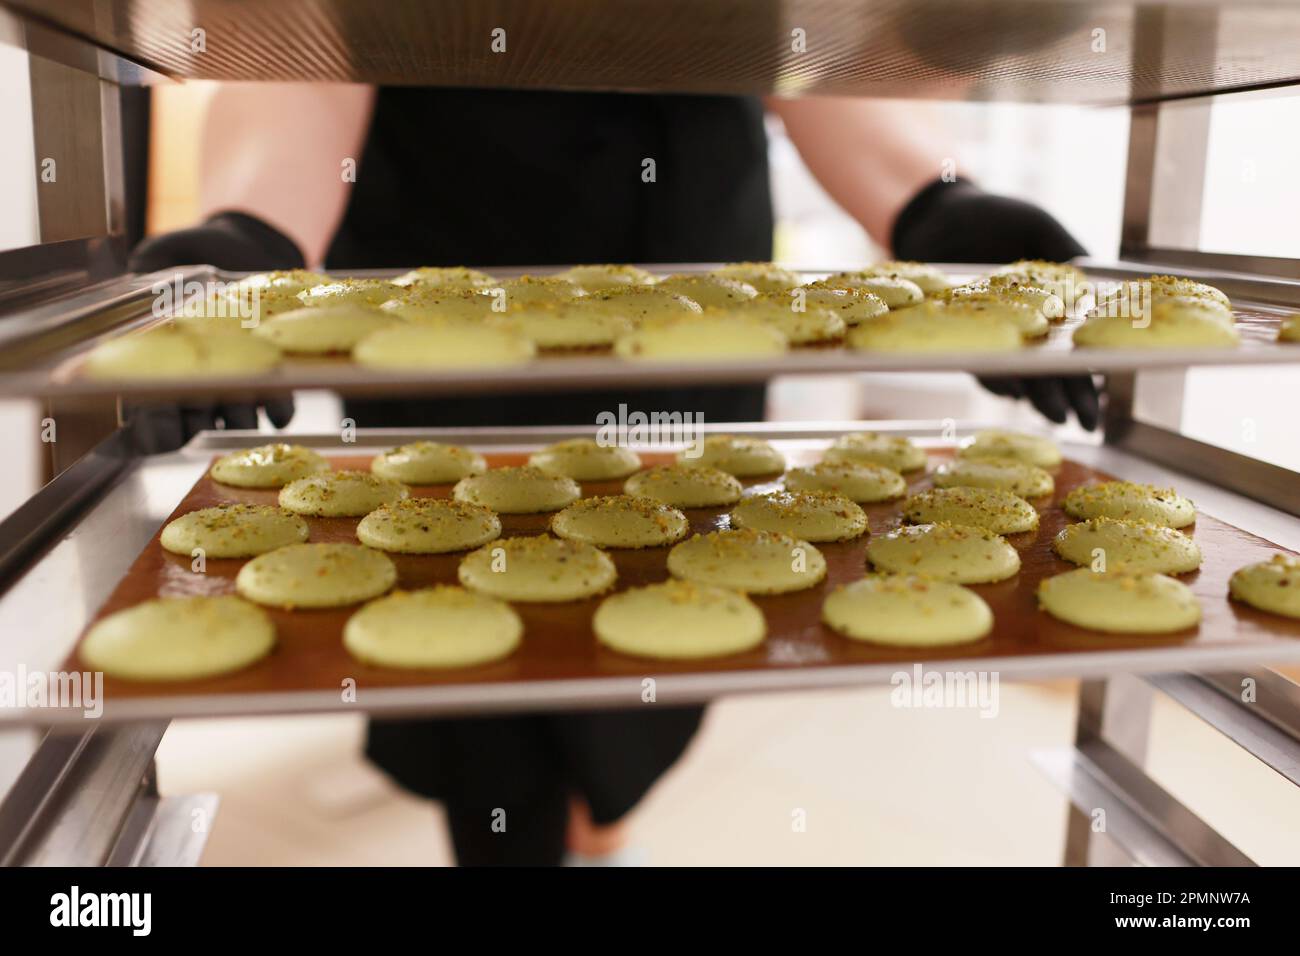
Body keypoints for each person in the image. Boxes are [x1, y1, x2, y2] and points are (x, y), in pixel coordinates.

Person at [131, 85, 1097, 865]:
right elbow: (313, 33)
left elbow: (794, 37)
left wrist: (926, 197)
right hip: (441, 249)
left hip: (684, 243)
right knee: (462, 640)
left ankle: (603, 831)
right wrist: (258, 224)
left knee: (672, 584)